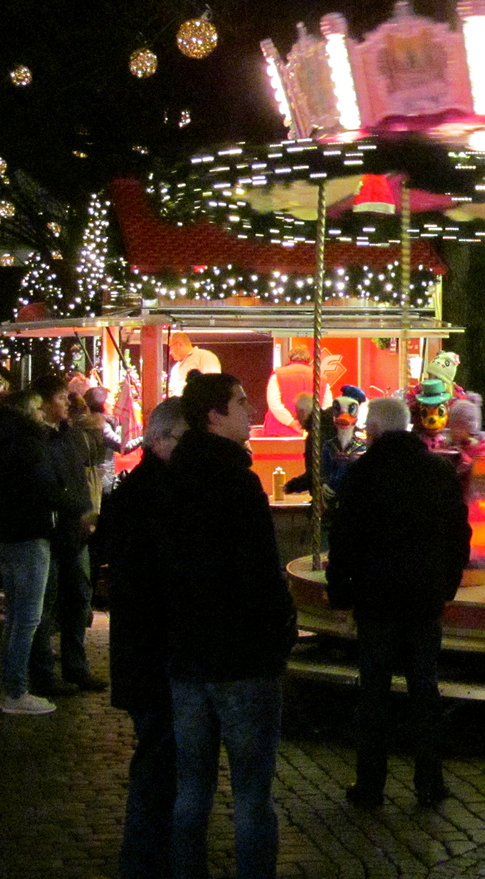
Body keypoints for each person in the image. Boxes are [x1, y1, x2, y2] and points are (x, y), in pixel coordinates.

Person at [161, 374, 296, 879]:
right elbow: (260, 573)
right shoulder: (238, 484)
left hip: (189, 657)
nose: (250, 410)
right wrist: (278, 633)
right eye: (241, 402)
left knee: (192, 788)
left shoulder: (172, 480)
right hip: (242, 659)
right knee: (251, 795)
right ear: (214, 415)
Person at [326, 397, 469, 809]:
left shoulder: (362, 474)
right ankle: (430, 781)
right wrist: (447, 584)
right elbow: (458, 533)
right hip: (423, 598)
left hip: (376, 600)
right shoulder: (437, 471)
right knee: (425, 690)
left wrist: (341, 593)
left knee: (374, 694)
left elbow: (344, 540)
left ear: (373, 431)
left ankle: (370, 784)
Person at [93, 398, 187, 879]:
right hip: (155, 652)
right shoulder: (157, 494)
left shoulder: (135, 491)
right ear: (163, 439)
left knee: (157, 754)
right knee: (158, 758)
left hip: (142, 650)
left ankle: (151, 855)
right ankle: (149, 860)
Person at [29, 373, 106, 694]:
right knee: (45, 605)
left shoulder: (70, 436)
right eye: (60, 399)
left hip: (75, 531)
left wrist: (86, 511)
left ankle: (76, 666)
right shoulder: (33, 439)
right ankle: (43, 673)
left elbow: (80, 478)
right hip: (48, 531)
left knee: (78, 599)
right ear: (44, 404)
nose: (66, 404)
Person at [0, 391, 65, 714]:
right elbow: (45, 487)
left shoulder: (7, 440)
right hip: (30, 532)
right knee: (27, 617)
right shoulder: (28, 443)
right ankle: (15, 690)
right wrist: (75, 506)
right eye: (39, 408)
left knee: (15, 615)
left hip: (9, 534)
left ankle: (12, 686)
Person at [165, 333, 221, 398]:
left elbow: (212, 384)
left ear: (179, 344)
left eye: (170, 348)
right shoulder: (175, 368)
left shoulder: (204, 356)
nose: (170, 353)